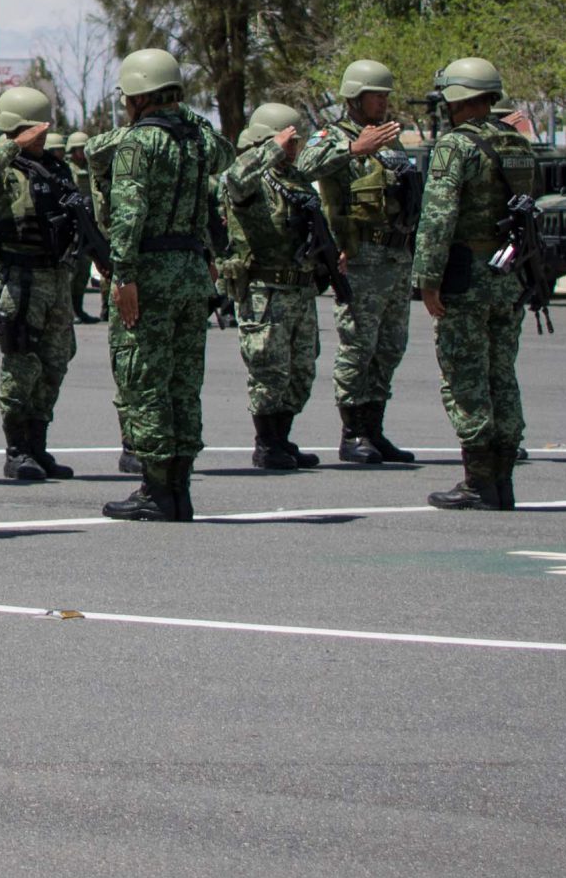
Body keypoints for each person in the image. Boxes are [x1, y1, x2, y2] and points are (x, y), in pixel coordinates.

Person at [100, 49, 230, 523]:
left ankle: (156, 491)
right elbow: (227, 152)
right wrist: (184, 111)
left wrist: (123, 274)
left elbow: (128, 213)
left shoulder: (138, 142)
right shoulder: (196, 140)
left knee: (144, 379)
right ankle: (180, 489)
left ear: (136, 95)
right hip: (191, 272)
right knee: (183, 381)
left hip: (150, 272)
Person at [413, 59, 538, 511]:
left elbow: (438, 218)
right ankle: (502, 481)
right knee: (502, 374)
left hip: (467, 276)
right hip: (509, 276)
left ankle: (480, 482)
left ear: (458, 100)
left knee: (466, 377)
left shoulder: (454, 147)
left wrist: (427, 281)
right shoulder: (518, 143)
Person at [295, 60, 420, 466]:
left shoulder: (391, 138)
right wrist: (353, 149)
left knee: (390, 346)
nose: (383, 102)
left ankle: (374, 428)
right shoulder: (332, 135)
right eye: (375, 95)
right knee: (358, 346)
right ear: (355, 98)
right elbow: (304, 167)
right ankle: (352, 434)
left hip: (396, 256)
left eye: (386, 95)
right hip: (360, 258)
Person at [0, 87, 81, 482]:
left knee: (55, 362)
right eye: (37, 129)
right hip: (18, 278)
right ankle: (16, 451)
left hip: (56, 276)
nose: (44, 137)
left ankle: (38, 445)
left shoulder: (53, 167)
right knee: (21, 364)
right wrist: (13, 146)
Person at [220, 102, 330, 471]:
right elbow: (234, 180)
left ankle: (283, 438)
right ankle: (266, 444)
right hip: (265, 291)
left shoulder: (294, 178)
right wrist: (270, 149)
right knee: (269, 370)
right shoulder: (253, 180)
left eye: (296, 141)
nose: (293, 147)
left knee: (301, 369)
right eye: (289, 140)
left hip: (300, 288)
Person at [66, 131, 104, 323]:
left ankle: (78, 308)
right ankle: (69, 310)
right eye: (78, 149)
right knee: (72, 271)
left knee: (84, 271)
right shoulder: (67, 169)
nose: (82, 153)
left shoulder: (91, 169)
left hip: (89, 225)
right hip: (73, 226)